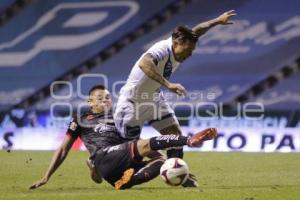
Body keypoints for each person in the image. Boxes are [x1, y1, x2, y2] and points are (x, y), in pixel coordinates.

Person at [113, 10, 236, 185]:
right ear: (178, 42)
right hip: (132, 104)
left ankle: (178, 174)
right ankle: (98, 161)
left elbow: (197, 30)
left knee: (175, 136)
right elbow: (144, 63)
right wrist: (168, 84)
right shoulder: (162, 49)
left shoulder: (180, 45)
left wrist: (217, 21)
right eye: (189, 49)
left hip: (153, 99)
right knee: (129, 153)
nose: (190, 54)